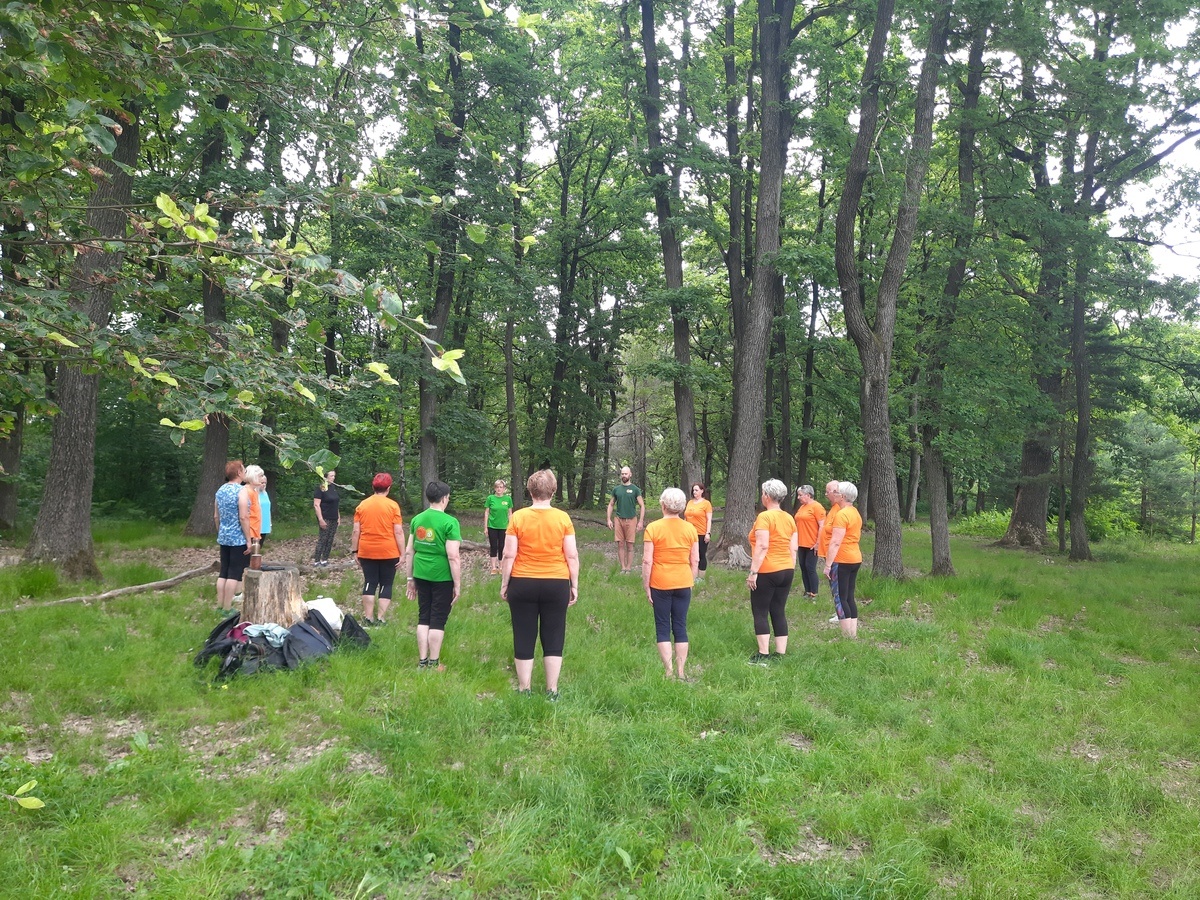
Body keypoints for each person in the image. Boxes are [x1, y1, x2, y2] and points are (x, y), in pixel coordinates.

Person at [501, 469, 579, 700]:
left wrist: (505, 583)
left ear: (530, 491)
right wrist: (574, 585)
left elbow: (508, 554)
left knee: (523, 633)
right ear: (553, 491)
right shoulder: (563, 518)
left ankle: (524, 689)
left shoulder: (518, 517)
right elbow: (572, 555)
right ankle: (551, 690)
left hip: (522, 582)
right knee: (554, 635)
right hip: (556, 582)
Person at [643, 487, 699, 679]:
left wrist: (646, 585)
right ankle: (681, 672)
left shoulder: (653, 528)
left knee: (662, 626)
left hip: (660, 583)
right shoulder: (690, 528)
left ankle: (669, 672)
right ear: (682, 507)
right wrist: (690, 580)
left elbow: (647, 561)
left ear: (663, 505)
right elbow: (695, 560)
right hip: (683, 582)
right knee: (680, 626)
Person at [405, 481, 462, 670]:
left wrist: (410, 578)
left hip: (420, 573)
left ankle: (422, 661)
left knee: (424, 616)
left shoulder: (417, 519)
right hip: (442, 576)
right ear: (444, 499)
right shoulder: (450, 522)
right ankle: (434, 662)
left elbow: (409, 551)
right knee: (437, 618)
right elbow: (453, 556)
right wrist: (457, 584)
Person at [746, 478, 798, 665]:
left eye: (762, 493)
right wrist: (790, 567)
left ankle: (763, 654)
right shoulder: (789, 518)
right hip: (786, 569)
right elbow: (794, 547)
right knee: (778, 609)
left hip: (768, 569)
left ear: (767, 496)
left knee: (760, 610)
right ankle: (780, 653)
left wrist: (753, 573)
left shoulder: (765, 517)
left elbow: (762, 545)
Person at [350, 473, 406, 626]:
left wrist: (355, 551)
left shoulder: (362, 505)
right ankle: (381, 618)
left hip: (367, 550)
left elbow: (356, 531)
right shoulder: (393, 506)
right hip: (389, 551)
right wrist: (402, 554)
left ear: (373, 487)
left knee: (370, 582)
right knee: (386, 584)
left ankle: (368, 618)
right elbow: (398, 532)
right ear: (388, 488)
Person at [823, 481, 863, 639]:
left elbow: (835, 542)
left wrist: (828, 565)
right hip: (855, 557)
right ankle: (853, 635)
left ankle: (847, 637)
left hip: (842, 559)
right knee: (849, 597)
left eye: (837, 492)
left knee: (840, 598)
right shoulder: (855, 512)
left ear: (844, 496)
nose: (835, 494)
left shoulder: (842, 514)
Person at [213, 459, 249, 609]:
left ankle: (219, 605)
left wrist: (221, 532)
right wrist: (248, 540)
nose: (245, 472)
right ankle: (227, 607)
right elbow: (243, 517)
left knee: (223, 572)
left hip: (224, 537)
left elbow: (216, 516)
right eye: (244, 470)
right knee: (234, 573)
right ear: (239, 473)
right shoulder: (241, 491)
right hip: (238, 539)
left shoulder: (220, 490)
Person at [606, 465, 645, 574]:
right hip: (619, 519)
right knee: (620, 543)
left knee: (630, 544)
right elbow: (611, 504)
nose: (624, 475)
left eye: (626, 473)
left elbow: (642, 505)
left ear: (630, 475)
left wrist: (641, 521)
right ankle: (623, 567)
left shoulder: (635, 489)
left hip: (631, 519)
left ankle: (628, 568)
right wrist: (608, 519)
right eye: (622, 474)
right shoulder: (616, 489)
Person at [816, 480, 843, 624]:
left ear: (836, 492)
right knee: (834, 584)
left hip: (837, 556)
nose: (826, 494)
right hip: (830, 554)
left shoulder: (840, 510)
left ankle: (841, 613)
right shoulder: (833, 508)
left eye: (828, 492)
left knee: (837, 585)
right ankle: (839, 609)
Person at [793, 484, 825, 600]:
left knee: (810, 567)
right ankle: (807, 591)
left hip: (812, 544)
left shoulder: (817, 507)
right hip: (801, 543)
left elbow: (822, 526)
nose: (798, 497)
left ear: (808, 495)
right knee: (803, 567)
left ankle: (814, 593)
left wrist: (818, 543)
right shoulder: (802, 507)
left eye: (800, 495)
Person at [482, 479, 514, 575]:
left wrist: (511, 526)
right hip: (492, 526)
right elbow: (486, 513)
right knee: (493, 546)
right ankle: (493, 567)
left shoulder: (508, 499)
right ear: (495, 488)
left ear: (504, 488)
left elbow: (510, 514)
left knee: (502, 546)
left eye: (501, 487)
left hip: (504, 527)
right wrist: (485, 527)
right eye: (497, 487)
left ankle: (501, 566)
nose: (499, 489)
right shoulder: (490, 498)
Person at [684, 482, 714, 579]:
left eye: (696, 490)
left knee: (701, 554)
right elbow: (686, 517)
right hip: (689, 533)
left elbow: (709, 519)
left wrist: (708, 533)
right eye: (693, 490)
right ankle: (692, 575)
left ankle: (700, 578)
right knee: (691, 555)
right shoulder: (690, 502)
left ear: (702, 491)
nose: (694, 492)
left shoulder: (706, 504)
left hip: (701, 533)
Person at [312, 469, 341, 567]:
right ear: (326, 477)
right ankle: (317, 561)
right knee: (323, 539)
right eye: (331, 476)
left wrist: (338, 516)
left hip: (334, 517)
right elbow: (316, 505)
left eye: (334, 476)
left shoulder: (333, 487)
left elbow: (335, 503)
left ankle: (325, 559)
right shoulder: (321, 488)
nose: (333, 478)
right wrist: (321, 519)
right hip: (325, 517)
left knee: (330, 539)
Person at [240, 464, 264, 556]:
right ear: (253, 476)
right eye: (260, 476)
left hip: (255, 531)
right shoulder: (247, 491)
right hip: (248, 532)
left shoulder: (254, 492)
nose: (262, 478)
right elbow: (244, 514)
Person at [257, 470, 272, 549]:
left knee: (259, 547)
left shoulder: (265, 493)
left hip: (265, 525)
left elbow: (268, 509)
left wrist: (270, 524)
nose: (264, 485)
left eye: (265, 483)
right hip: (257, 525)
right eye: (262, 483)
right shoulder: (254, 494)